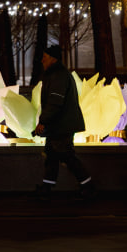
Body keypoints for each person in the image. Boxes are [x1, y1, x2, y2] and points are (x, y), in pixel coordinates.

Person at [34, 44, 96, 200]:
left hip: (62, 125)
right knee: (52, 155)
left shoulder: (58, 76)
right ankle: (47, 187)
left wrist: (43, 121)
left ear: (53, 59)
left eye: (45, 57)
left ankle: (87, 185)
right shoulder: (55, 74)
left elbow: (55, 102)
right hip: (59, 124)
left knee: (66, 155)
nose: (42, 60)